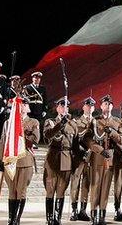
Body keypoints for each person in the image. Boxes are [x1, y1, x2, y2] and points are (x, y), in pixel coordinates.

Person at [0, 98, 40, 225]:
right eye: (20, 104)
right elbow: (3, 141)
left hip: (25, 160)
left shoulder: (33, 122)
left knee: (21, 192)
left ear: (28, 107)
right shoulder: (8, 123)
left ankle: (17, 219)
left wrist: (20, 135)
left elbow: (35, 139)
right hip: (10, 160)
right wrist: (0, 159)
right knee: (12, 192)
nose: (22, 107)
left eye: (25, 104)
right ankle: (11, 218)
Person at [87, 95, 122, 224]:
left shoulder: (117, 121)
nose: (107, 106)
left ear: (112, 106)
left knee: (106, 187)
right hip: (98, 156)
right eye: (105, 104)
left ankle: (102, 215)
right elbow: (88, 139)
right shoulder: (94, 121)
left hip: (110, 157)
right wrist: (99, 149)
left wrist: (112, 132)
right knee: (96, 187)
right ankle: (94, 214)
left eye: (109, 104)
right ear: (101, 106)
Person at [44, 96, 77, 225]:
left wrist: (76, 161)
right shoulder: (50, 121)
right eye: (61, 106)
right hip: (53, 157)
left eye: (66, 106)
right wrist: (61, 124)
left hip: (67, 158)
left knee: (61, 189)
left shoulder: (73, 124)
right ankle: (49, 218)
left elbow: (75, 145)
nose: (64, 108)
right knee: (50, 188)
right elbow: (48, 135)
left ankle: (57, 218)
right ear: (57, 108)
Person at [69, 96, 96, 222]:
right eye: (87, 105)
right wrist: (80, 151)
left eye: (91, 106)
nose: (89, 108)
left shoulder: (97, 122)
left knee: (86, 183)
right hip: (79, 156)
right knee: (75, 183)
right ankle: (74, 210)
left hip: (91, 157)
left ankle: (83, 210)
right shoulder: (77, 122)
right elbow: (73, 140)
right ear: (83, 107)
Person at [23, 72, 47, 140]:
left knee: (36, 126)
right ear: (32, 79)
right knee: (29, 125)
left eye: (38, 78)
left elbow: (45, 99)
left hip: (39, 109)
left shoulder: (43, 88)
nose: (37, 79)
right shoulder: (28, 87)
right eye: (35, 78)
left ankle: (35, 140)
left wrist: (44, 110)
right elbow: (25, 99)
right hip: (30, 108)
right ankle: (27, 140)